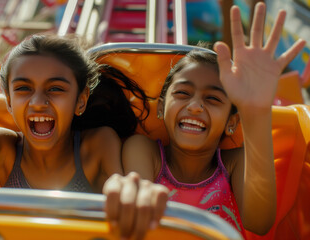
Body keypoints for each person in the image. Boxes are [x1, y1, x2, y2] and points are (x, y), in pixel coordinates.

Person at [0, 34, 169, 240]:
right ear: (8, 100)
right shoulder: (3, 147)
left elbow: (120, 186)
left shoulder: (98, 143)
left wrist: (131, 191)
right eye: (24, 88)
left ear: (80, 101)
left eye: (55, 88)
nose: (37, 102)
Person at [116, 2, 306, 237]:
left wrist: (256, 111)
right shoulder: (144, 150)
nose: (195, 106)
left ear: (232, 122)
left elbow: (259, 223)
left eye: (213, 99)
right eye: (183, 93)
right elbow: (139, 199)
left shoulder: (235, 163)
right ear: (162, 107)